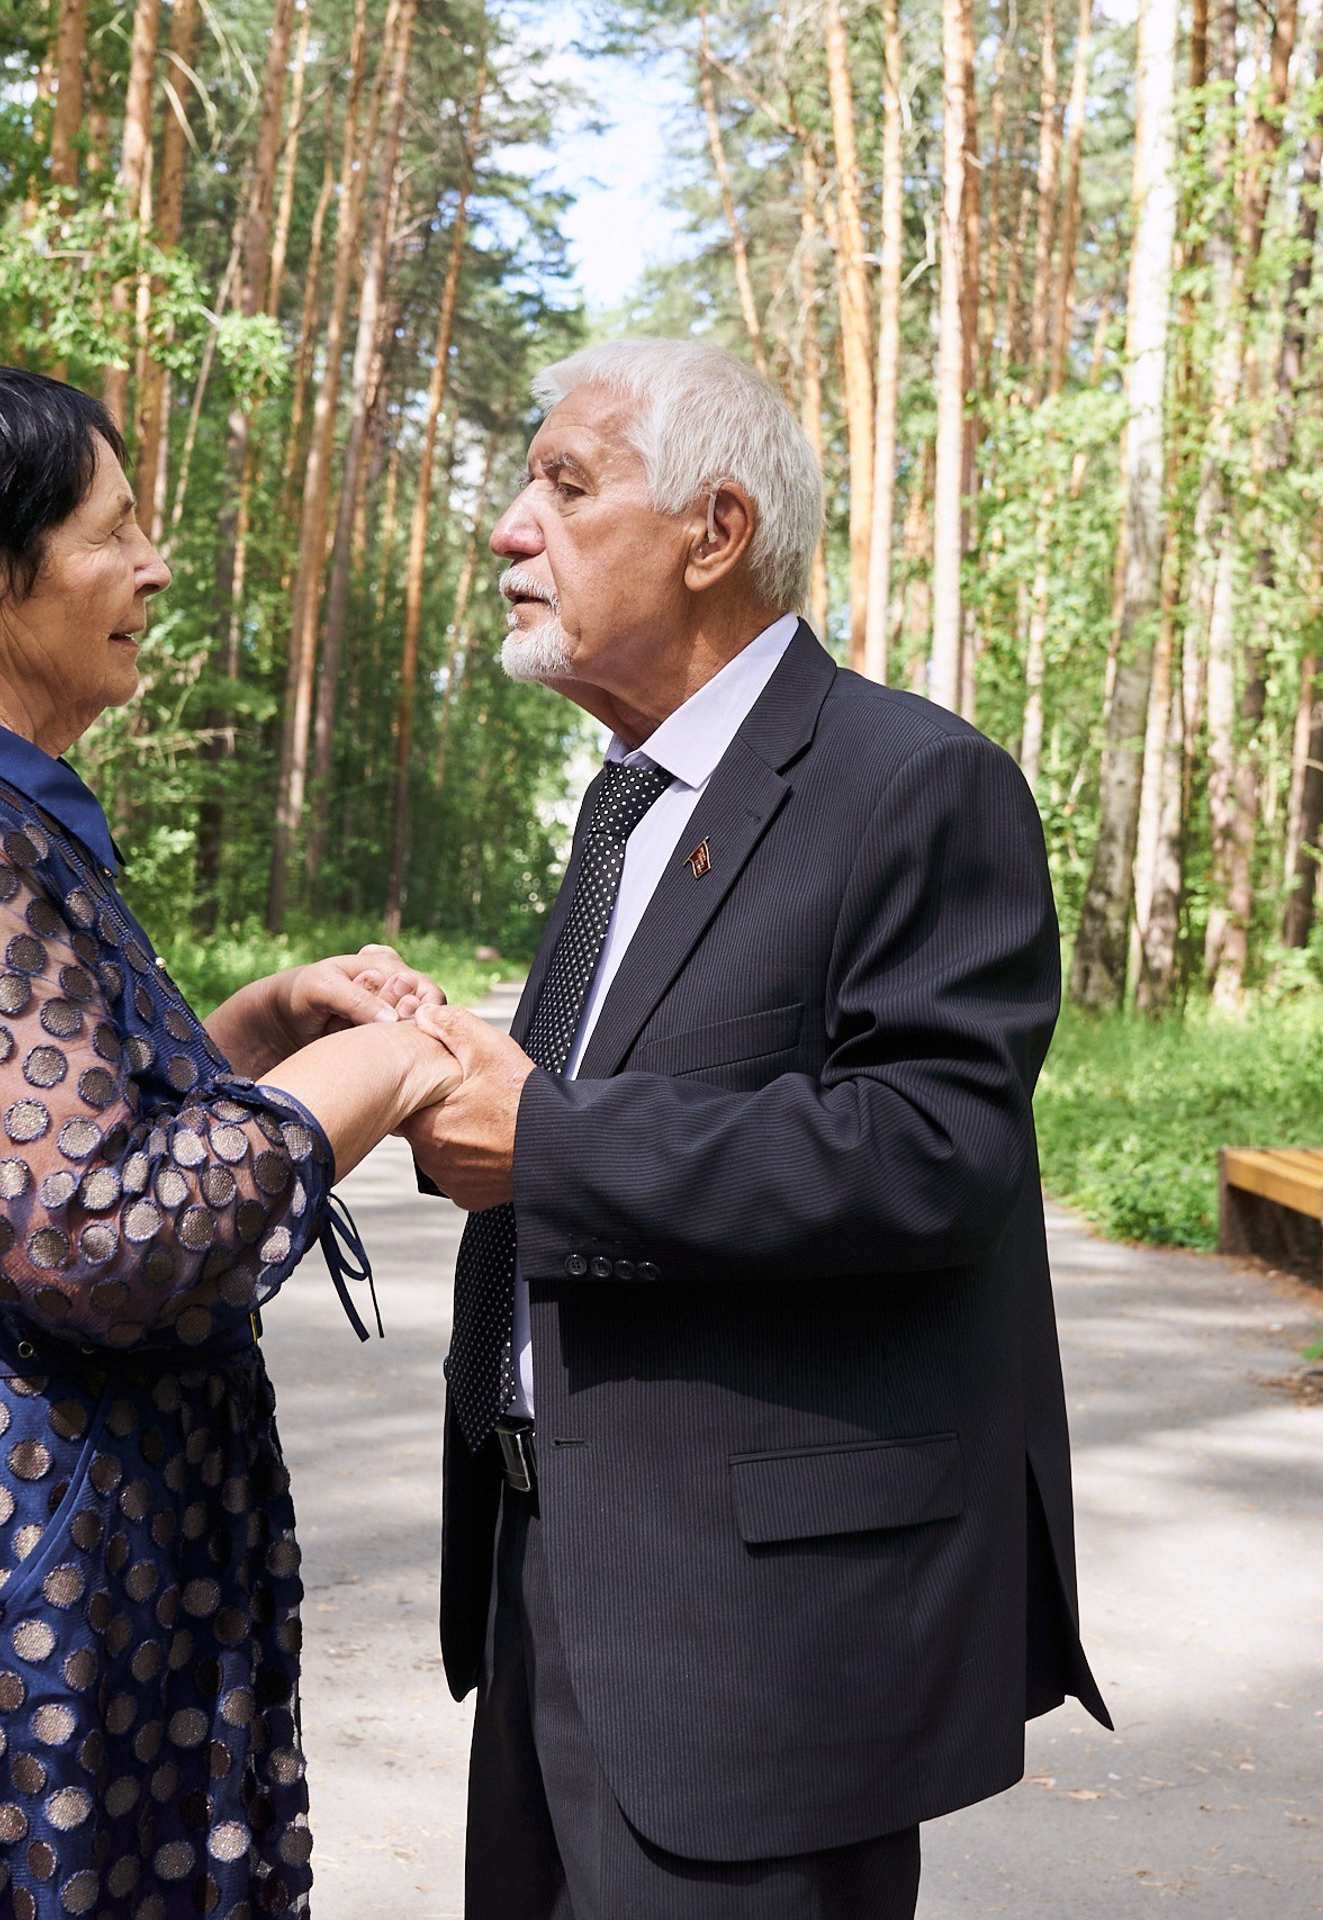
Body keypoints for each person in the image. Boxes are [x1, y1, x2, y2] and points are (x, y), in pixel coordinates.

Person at [0, 364, 461, 1920]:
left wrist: (256, 1032)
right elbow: (89, 1237)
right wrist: (377, 1074)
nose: (156, 565)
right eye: (112, 532)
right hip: (4, 1564)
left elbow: (16, 1140)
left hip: (30, 1534)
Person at [403, 337, 1110, 1920]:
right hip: (549, 1581)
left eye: (566, 486)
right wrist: (456, 1070)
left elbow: (936, 1149)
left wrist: (554, 1143)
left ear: (714, 534)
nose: (510, 526)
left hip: (757, 1657)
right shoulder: (628, 799)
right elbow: (633, 1081)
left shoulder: (915, 782)